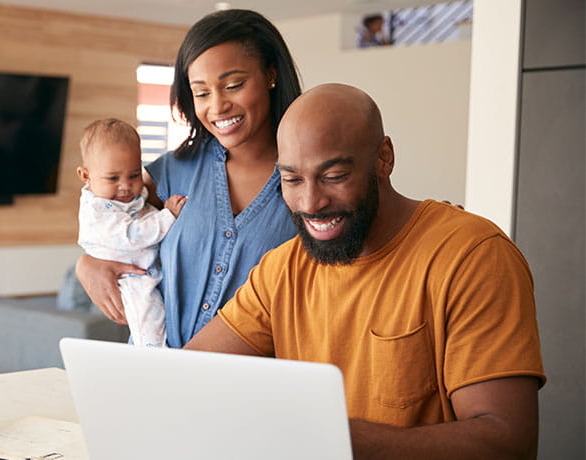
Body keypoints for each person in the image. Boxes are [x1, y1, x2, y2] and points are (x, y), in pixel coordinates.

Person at [186, 83, 545, 458]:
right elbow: (187, 377)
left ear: (384, 159)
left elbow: (508, 443)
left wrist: (325, 436)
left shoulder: (471, 255)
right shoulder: (282, 269)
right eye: (291, 180)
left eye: (334, 176)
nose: (310, 202)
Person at [76, 9, 302, 348]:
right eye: (201, 92)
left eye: (233, 85)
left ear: (271, 75)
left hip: (256, 385)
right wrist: (87, 264)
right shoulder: (173, 170)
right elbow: (107, 218)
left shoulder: (308, 180)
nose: (218, 106)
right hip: (163, 375)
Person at [76, 118, 187, 347]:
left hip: (144, 270)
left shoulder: (122, 198)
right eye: (113, 178)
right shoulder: (97, 211)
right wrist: (168, 216)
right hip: (129, 279)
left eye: (134, 175)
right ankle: (152, 355)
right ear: (86, 175)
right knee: (149, 321)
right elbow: (134, 235)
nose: (125, 186)